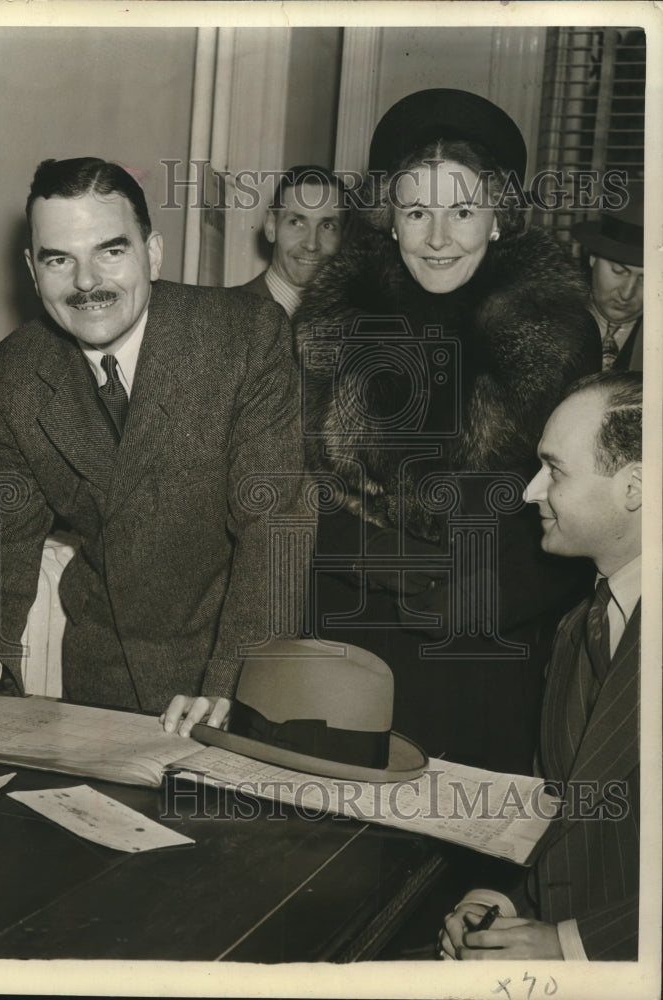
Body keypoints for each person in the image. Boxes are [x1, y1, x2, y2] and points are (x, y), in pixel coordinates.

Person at [0, 156, 306, 736]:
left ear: (152, 252)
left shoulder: (246, 337)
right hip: (105, 677)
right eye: (59, 259)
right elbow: (2, 536)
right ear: (32, 269)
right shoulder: (9, 379)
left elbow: (274, 529)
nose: (86, 282)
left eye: (111, 250)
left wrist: (230, 689)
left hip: (235, 666)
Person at [295, 89, 601, 774]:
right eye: (416, 212)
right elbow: (284, 485)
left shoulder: (556, 331)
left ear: (496, 218)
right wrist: (371, 559)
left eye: (461, 211)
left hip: (482, 654)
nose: (437, 239)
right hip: (347, 644)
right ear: (390, 222)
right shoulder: (333, 322)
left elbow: (588, 515)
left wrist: (485, 593)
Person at [439, 371, 642, 961]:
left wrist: (567, 947)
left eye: (554, 470)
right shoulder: (579, 626)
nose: (530, 492)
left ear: (635, 487)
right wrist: (501, 906)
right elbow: (567, 820)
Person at [239, 165, 347, 317]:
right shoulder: (224, 314)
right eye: (296, 222)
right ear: (271, 226)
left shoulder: (350, 323)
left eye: (327, 226)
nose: (311, 245)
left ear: (342, 237)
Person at [573, 179, 644, 370]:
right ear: (593, 258)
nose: (627, 293)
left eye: (646, 279)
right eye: (618, 271)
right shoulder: (546, 319)